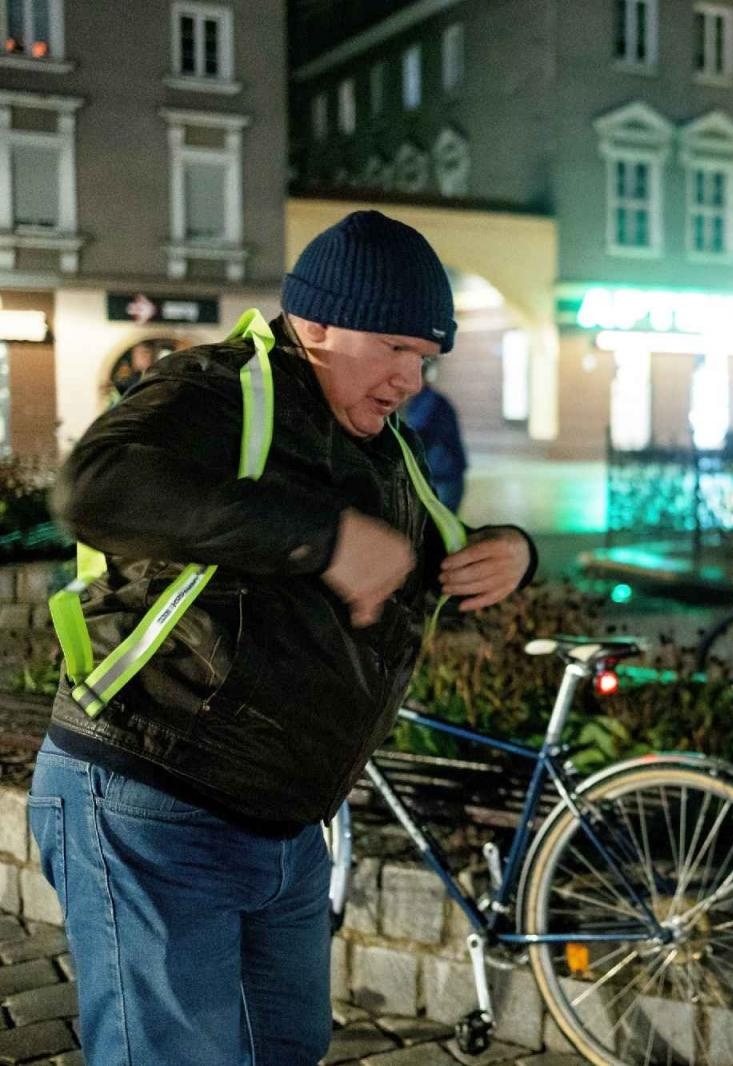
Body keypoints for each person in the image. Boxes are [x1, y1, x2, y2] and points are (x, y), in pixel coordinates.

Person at [30, 210, 536, 1066]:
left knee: (284, 1051)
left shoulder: (381, 444)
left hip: (289, 829)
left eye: (425, 358)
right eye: (394, 349)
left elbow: (435, 554)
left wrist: (518, 552)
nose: (410, 379)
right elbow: (98, 486)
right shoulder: (217, 389)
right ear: (320, 321)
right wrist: (323, 537)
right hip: (154, 800)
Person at [403, 365, 468, 510]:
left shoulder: (431, 402)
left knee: (441, 526)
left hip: (443, 476)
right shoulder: (424, 400)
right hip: (441, 475)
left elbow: (416, 432)